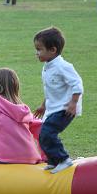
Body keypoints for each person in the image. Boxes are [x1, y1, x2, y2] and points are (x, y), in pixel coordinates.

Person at [33, 27, 84, 174]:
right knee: (42, 134)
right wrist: (43, 105)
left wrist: (73, 103)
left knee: (48, 133)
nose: (36, 53)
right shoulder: (47, 67)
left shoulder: (63, 66)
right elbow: (51, 89)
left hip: (65, 109)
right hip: (53, 108)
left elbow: (77, 84)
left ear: (52, 50)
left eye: (39, 49)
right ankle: (54, 160)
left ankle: (63, 159)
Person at [0, 68, 43, 164]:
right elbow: (41, 127)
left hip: (3, 158)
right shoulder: (23, 109)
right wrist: (46, 156)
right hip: (29, 157)